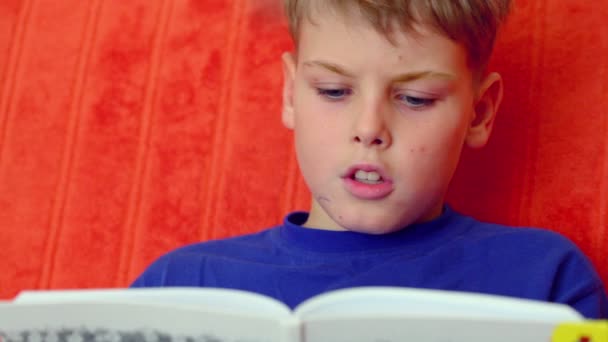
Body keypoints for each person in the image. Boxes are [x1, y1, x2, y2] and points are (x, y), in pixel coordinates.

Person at [131, 0, 608, 318]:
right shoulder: (180, 286)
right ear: (290, 94)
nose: (369, 129)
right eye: (334, 91)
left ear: (479, 112)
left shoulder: (546, 280)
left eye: (416, 99)